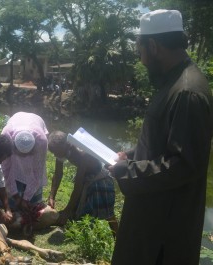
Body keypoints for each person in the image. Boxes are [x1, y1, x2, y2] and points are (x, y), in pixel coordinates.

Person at [109, 10, 213, 265]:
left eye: (140, 51)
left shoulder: (187, 92)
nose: (141, 60)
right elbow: (164, 142)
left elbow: (184, 164)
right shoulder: (173, 83)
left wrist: (128, 171)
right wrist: (131, 155)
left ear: (153, 46)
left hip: (163, 232)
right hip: (151, 217)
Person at [47, 130, 118, 235]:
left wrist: (67, 211)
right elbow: (58, 174)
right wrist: (52, 196)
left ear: (68, 145)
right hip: (87, 177)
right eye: (54, 153)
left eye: (58, 153)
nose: (56, 155)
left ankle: (118, 236)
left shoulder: (82, 154)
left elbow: (78, 187)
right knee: (79, 211)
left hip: (101, 179)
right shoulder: (60, 151)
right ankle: (80, 232)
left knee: (108, 214)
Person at [1, 112, 49, 212]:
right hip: (17, 118)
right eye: (20, 153)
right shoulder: (6, 135)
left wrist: (26, 199)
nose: (23, 157)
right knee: (10, 165)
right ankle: (5, 204)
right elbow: (5, 168)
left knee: (32, 170)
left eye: (26, 154)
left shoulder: (42, 141)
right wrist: (15, 196)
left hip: (36, 122)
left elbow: (38, 172)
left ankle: (29, 200)